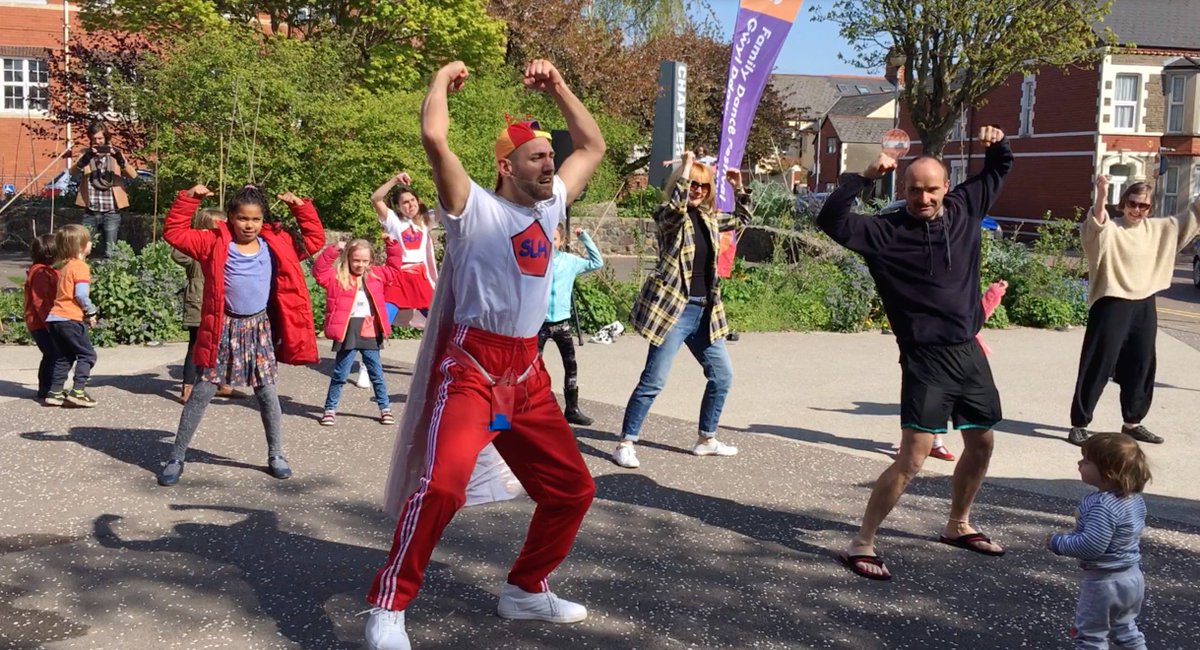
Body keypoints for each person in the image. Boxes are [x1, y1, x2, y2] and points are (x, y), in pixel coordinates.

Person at [364, 59, 605, 650]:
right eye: (537, 157)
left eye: (552, 156)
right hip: (472, 370)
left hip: (527, 373)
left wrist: (559, 84)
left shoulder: (551, 209)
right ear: (506, 166)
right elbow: (433, 138)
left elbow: (593, 144)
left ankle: (525, 588)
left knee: (573, 489)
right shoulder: (472, 208)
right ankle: (388, 605)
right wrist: (440, 82)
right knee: (442, 486)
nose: (550, 164)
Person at [819, 126, 1013, 580]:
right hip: (925, 358)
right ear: (903, 190)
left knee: (982, 442)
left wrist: (997, 142)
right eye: (913, 190)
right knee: (914, 457)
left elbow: (1000, 168)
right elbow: (831, 220)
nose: (922, 198)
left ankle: (957, 525)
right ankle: (861, 542)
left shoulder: (965, 209)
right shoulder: (885, 233)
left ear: (946, 187)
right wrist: (863, 178)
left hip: (968, 351)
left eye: (931, 190)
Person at [157, 184, 324, 487]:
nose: (250, 225)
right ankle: (176, 456)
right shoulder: (213, 242)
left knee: (267, 391)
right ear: (231, 217)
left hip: (259, 327)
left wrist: (300, 206)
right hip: (224, 327)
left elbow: (314, 239)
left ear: (263, 220)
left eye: (256, 219)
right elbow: (174, 232)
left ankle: (276, 454)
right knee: (204, 390)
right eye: (243, 218)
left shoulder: (278, 242)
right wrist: (190, 199)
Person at [615, 151, 752, 470]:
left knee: (722, 376)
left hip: (706, 313)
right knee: (654, 380)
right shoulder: (668, 215)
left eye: (703, 186)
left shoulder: (708, 218)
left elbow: (742, 220)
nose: (697, 190)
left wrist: (739, 188)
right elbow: (675, 207)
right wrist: (687, 168)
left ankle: (706, 439)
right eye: (691, 184)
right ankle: (625, 442)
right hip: (674, 312)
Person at [1068, 175, 1200, 447]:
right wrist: (1101, 196)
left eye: (1144, 206)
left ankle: (1132, 422)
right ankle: (1079, 424)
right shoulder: (1112, 228)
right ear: (1123, 203)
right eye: (1132, 203)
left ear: (1151, 208)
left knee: (1141, 364)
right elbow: (1095, 228)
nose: (1137, 210)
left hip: (1144, 303)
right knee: (1098, 363)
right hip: (1111, 302)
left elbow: (1191, 217)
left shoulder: (1158, 230)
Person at [1049, 433, 1150, 650]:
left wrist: (1058, 542)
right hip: (1132, 577)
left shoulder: (1102, 505)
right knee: (1125, 629)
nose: (1079, 463)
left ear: (1108, 473)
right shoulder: (1134, 500)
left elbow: (1092, 546)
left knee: (1090, 636)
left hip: (1104, 583)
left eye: (1086, 461)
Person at [355, 172, 439, 388]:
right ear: (398, 206)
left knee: (438, 323)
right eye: (404, 202)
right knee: (383, 320)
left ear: (417, 202)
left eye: (412, 200)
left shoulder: (426, 221)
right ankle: (367, 366)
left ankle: (437, 365)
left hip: (421, 280)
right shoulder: (393, 222)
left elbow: (448, 202)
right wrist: (394, 181)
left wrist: (438, 175)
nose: (409, 205)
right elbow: (375, 198)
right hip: (398, 278)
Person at [312, 238, 405, 426]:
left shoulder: (377, 275)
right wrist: (334, 249)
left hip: (370, 329)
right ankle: (330, 409)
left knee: (376, 373)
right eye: (356, 260)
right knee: (340, 373)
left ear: (370, 261)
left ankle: (385, 408)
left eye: (365, 261)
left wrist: (392, 246)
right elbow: (319, 271)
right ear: (347, 258)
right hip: (347, 330)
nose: (360, 264)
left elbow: (394, 269)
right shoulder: (338, 277)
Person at [170, 207, 244, 403]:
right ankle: (187, 387)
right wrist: (197, 235)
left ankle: (223, 383)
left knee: (225, 345)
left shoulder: (227, 247)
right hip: (199, 304)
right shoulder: (197, 250)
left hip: (221, 304)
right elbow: (177, 252)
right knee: (195, 346)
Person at [929, 279, 1008, 462]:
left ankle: (930, 442)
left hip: (961, 359)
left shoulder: (962, 304)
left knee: (938, 404)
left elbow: (982, 311)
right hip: (936, 358)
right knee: (932, 405)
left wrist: (994, 293)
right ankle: (922, 442)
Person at [541, 224, 603, 425]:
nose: (550, 244)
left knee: (571, 366)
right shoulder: (535, 261)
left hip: (561, 323)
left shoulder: (569, 262)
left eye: (555, 239)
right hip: (538, 324)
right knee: (533, 367)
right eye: (546, 239)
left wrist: (584, 237)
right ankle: (538, 407)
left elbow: (597, 262)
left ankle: (572, 408)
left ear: (562, 241)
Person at [44, 224, 100, 407]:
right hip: (70, 319)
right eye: (88, 240)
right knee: (87, 355)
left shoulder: (64, 267)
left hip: (55, 319)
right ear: (80, 247)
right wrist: (90, 311)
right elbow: (81, 294)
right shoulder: (80, 267)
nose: (91, 243)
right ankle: (78, 391)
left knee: (64, 356)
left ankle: (55, 392)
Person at [70, 122, 140, 258]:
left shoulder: (114, 154)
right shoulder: (85, 153)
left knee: (110, 252)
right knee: (83, 251)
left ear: (106, 138)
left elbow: (133, 175)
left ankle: (111, 278)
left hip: (111, 211)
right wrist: (86, 159)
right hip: (91, 211)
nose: (97, 142)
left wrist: (119, 158)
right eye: (94, 139)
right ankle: (82, 276)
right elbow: (72, 172)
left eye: (100, 138)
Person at [23, 234, 58, 402]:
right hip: (40, 322)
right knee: (52, 353)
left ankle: (48, 387)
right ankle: (46, 388)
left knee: (51, 354)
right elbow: (40, 301)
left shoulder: (44, 270)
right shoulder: (41, 273)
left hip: (41, 321)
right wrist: (49, 323)